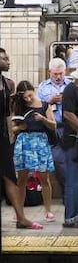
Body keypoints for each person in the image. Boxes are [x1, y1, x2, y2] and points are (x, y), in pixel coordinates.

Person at [0, 48, 43, 230]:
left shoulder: (6, 82)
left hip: (1, 137)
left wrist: (13, 101)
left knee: (10, 178)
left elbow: (6, 113)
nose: (9, 61)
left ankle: (21, 218)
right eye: (4, 58)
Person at [12, 80, 56, 223]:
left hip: (41, 141)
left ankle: (48, 210)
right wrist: (20, 128)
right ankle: (19, 211)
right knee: (21, 179)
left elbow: (54, 125)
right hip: (24, 142)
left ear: (33, 90)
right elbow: (13, 128)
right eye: (25, 98)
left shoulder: (44, 105)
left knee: (44, 177)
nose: (28, 100)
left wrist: (42, 119)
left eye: (30, 96)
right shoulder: (19, 106)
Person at [37, 58, 71, 199]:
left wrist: (67, 100)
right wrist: (49, 102)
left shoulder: (71, 85)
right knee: (59, 162)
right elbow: (37, 108)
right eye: (55, 74)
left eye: (61, 74)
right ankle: (67, 195)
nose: (58, 77)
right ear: (49, 72)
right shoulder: (43, 87)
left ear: (65, 72)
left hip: (70, 127)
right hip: (53, 129)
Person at [61, 69, 78, 227]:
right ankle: (71, 217)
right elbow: (68, 114)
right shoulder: (70, 90)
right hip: (73, 142)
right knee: (73, 180)